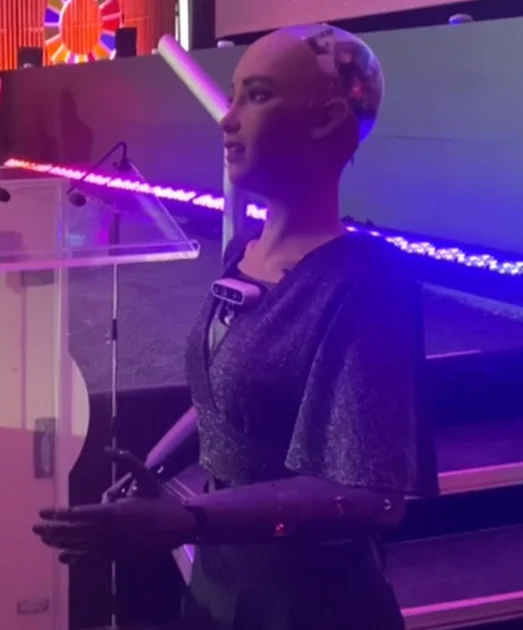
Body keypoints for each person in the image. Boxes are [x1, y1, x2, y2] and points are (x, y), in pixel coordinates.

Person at [33, 25, 437, 630]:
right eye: (233, 95)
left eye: (258, 95)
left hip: (313, 601)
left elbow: (369, 494)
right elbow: (222, 400)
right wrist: (157, 468)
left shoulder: (370, 280)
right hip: (223, 575)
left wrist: (188, 518)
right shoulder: (244, 251)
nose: (228, 118)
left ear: (328, 119)